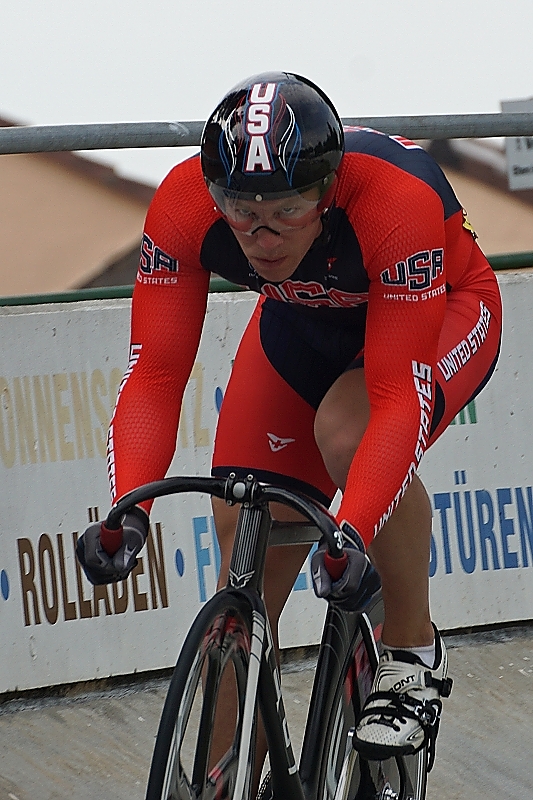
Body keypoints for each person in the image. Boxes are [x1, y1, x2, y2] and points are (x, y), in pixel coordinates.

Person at [77, 71, 501, 762]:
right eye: (239, 209)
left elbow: (396, 398)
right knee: (244, 555)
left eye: (290, 206)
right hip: (301, 326)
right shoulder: (185, 205)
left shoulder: (394, 199)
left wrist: (351, 532)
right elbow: (154, 375)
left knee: (347, 432)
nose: (262, 233)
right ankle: (219, 774)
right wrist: (127, 510)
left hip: (443, 312)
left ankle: (409, 653)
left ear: (328, 187)